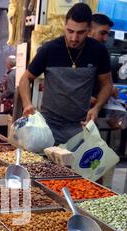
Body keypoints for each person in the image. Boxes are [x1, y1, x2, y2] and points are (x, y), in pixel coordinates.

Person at [19, 3, 113, 145]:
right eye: (70, 31)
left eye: (80, 33)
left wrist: (97, 107)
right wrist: (27, 103)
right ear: (64, 26)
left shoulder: (98, 51)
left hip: (80, 127)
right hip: (47, 126)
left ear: (89, 29)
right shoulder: (49, 49)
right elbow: (26, 78)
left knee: (77, 167)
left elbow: (107, 84)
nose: (74, 38)